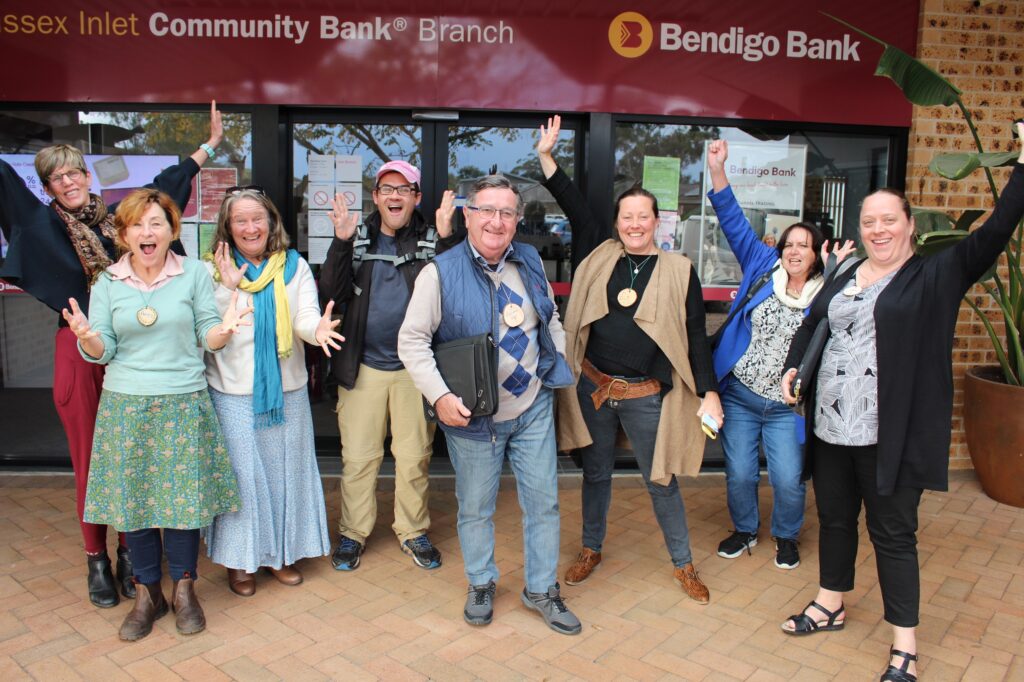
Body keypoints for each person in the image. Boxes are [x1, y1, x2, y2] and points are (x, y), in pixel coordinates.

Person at [778, 122, 1024, 682]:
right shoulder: (843, 274)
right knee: (836, 518)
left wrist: (1023, 169)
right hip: (831, 428)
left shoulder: (937, 274)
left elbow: (996, 230)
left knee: (892, 534)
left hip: (889, 433)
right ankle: (830, 602)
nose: (879, 229)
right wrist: (795, 365)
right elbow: (814, 324)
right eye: (869, 222)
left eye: (890, 220)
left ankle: (905, 645)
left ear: (911, 226)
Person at [0, 103, 222, 609]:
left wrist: (210, 144)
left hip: (133, 354)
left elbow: (170, 183)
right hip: (80, 347)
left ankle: (132, 557)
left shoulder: (118, 222)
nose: (68, 181)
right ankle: (95, 557)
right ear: (47, 186)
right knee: (91, 461)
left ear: (86, 174)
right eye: (55, 177)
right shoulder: (39, 224)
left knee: (132, 457)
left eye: (74, 171)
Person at [539, 116, 722, 604]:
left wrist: (709, 391)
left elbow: (695, 338)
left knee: (659, 479)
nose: (635, 224)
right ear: (617, 222)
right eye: (627, 217)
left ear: (656, 220)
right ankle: (590, 548)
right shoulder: (601, 254)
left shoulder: (679, 271)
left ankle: (683, 564)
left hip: (646, 395)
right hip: (596, 387)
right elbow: (576, 208)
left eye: (643, 216)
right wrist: (547, 160)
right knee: (595, 474)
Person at [398, 174, 582, 635]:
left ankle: (540, 588)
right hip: (475, 419)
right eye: (486, 210)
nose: (496, 221)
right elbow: (412, 341)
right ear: (468, 215)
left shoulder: (532, 261)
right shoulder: (438, 272)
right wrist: (439, 396)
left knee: (543, 505)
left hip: (531, 408)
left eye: (506, 212)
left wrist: (555, 361)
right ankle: (481, 582)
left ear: (517, 220)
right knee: (476, 507)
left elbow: (550, 316)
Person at [64, 189, 248, 641]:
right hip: (126, 405)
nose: (147, 233)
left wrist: (223, 332)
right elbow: (102, 347)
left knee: (184, 506)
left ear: (171, 231)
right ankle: (148, 593)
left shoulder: (193, 276)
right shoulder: (107, 282)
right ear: (124, 234)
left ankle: (185, 589)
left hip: (183, 401)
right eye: (137, 225)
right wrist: (86, 337)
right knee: (134, 505)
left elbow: (208, 333)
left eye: (157, 224)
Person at [706, 139, 854, 570]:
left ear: (816, 255)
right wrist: (717, 169)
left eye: (804, 246)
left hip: (786, 405)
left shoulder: (824, 293)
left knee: (789, 480)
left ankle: (786, 536)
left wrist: (838, 270)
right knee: (739, 474)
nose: (794, 250)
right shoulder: (760, 267)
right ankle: (746, 529)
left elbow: (850, 307)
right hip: (741, 395)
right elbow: (731, 219)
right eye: (789, 243)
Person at [318, 160, 457, 571]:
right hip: (363, 368)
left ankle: (413, 531)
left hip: (417, 372)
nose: (394, 196)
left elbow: (455, 292)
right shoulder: (356, 240)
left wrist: (448, 239)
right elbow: (330, 293)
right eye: (386, 189)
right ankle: (353, 533)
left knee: (414, 456)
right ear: (376, 197)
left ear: (416, 198)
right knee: (359, 458)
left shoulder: (435, 241)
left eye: (404, 189)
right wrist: (341, 243)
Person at [203, 187, 342, 596]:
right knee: (243, 480)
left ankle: (281, 555)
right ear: (228, 227)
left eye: (257, 218)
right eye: (240, 220)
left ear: (271, 222)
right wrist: (233, 288)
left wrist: (315, 332)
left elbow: (304, 315)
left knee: (285, 474)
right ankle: (241, 561)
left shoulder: (293, 266)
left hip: (287, 392)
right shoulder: (212, 270)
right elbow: (212, 331)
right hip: (233, 393)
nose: (250, 227)